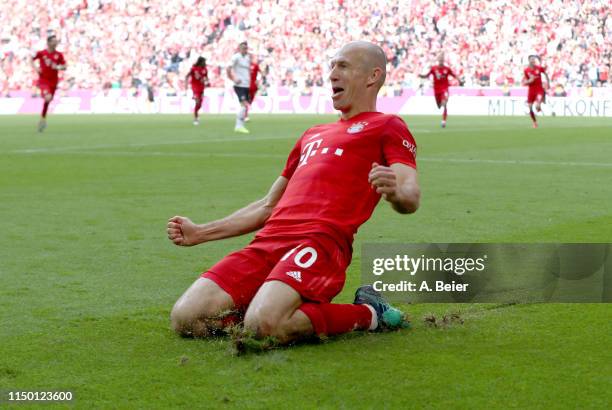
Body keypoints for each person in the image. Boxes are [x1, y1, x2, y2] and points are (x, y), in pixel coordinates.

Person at [167, 41, 420, 347]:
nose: (331, 75)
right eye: (331, 66)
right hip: (270, 240)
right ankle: (268, 306)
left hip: (320, 242)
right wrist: (201, 232)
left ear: (372, 76)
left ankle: (369, 312)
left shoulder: (388, 126)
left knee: (264, 325)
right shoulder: (312, 134)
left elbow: (410, 194)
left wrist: (395, 192)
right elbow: (266, 206)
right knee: (187, 318)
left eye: (342, 66)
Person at [32, 35, 66, 132]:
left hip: (54, 82)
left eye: (56, 41)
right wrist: (36, 68)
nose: (56, 43)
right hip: (43, 80)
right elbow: (31, 59)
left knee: (48, 101)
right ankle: (43, 119)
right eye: (54, 41)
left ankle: (43, 120)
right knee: (48, 97)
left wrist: (58, 67)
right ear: (48, 43)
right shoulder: (42, 53)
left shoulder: (59, 55)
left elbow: (65, 66)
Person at [419, 53, 457, 128]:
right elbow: (427, 75)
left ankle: (443, 121)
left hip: (444, 88)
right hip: (436, 90)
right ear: (438, 60)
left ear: (443, 60)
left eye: (442, 59)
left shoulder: (447, 69)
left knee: (445, 103)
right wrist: (421, 76)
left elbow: (454, 75)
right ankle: (442, 104)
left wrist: (459, 79)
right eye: (440, 59)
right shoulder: (434, 68)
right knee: (439, 106)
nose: (441, 61)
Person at [227, 41, 251, 134]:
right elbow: (228, 68)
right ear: (239, 49)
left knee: (244, 106)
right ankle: (238, 126)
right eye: (243, 48)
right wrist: (233, 79)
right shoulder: (236, 57)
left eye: (246, 48)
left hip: (246, 84)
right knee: (244, 104)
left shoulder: (248, 58)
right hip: (239, 85)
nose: (245, 50)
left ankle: (239, 125)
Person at [523, 55, 550, 128]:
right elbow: (524, 82)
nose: (533, 61)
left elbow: (546, 74)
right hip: (531, 91)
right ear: (529, 61)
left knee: (537, 105)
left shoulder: (539, 68)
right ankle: (534, 122)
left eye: (534, 59)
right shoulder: (526, 70)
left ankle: (539, 106)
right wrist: (530, 80)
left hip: (539, 89)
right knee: (530, 108)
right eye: (531, 59)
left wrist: (548, 83)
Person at [185, 57, 209, 125]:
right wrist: (186, 84)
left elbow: (206, 78)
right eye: (204, 62)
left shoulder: (205, 69)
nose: (205, 63)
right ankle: (195, 119)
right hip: (195, 87)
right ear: (200, 62)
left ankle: (196, 114)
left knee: (199, 104)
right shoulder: (193, 68)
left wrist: (206, 81)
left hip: (201, 87)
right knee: (198, 101)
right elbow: (187, 76)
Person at [245, 56, 262, 122]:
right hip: (246, 85)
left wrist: (258, 80)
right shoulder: (245, 66)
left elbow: (261, 73)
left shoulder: (255, 65)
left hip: (253, 86)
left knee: (249, 101)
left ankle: (246, 109)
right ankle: (246, 115)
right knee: (246, 101)